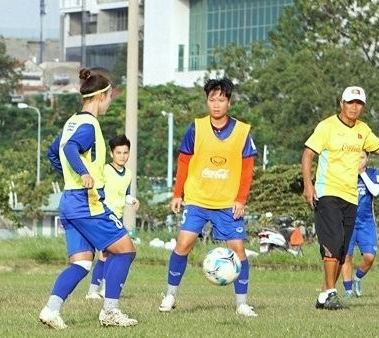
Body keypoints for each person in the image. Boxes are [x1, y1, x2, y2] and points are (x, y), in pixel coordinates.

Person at [302, 86, 379, 310]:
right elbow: (308, 154)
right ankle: (331, 293)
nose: (354, 107)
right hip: (327, 192)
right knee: (332, 244)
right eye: (350, 102)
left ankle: (324, 296)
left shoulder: (363, 130)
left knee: (341, 249)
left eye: (358, 103)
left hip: (350, 197)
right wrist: (308, 184)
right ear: (341, 103)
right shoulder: (327, 126)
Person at [40, 68, 137, 329]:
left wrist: (71, 177)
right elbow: (71, 148)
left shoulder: (71, 121)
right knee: (126, 250)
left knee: (82, 263)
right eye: (110, 97)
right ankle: (110, 311)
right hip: (87, 202)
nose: (109, 102)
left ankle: (51, 310)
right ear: (101, 96)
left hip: (70, 201)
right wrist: (83, 173)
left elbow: (54, 152)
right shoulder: (89, 125)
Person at [158, 77, 259, 317]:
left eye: (221, 100)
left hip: (227, 203)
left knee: (239, 250)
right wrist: (177, 193)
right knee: (183, 244)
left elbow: (247, 169)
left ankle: (242, 304)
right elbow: (183, 160)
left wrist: (241, 199)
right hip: (197, 199)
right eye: (212, 99)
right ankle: (170, 295)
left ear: (229, 102)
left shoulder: (243, 131)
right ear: (207, 101)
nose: (216, 104)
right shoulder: (196, 127)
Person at [85, 134, 140, 300]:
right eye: (119, 153)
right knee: (109, 254)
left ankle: (98, 289)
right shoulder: (105, 170)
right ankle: (97, 290)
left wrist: (132, 200)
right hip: (104, 217)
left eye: (125, 152)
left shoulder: (129, 174)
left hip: (118, 218)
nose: (122, 156)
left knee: (110, 254)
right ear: (111, 154)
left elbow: (125, 194)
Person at [341, 151, 379, 298]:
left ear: (368, 159)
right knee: (346, 257)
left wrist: (362, 173)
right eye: (356, 157)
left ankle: (357, 278)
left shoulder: (373, 173)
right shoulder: (345, 174)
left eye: (362, 157)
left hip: (366, 223)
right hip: (348, 223)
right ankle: (348, 290)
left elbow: (375, 191)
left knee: (370, 257)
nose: (359, 160)